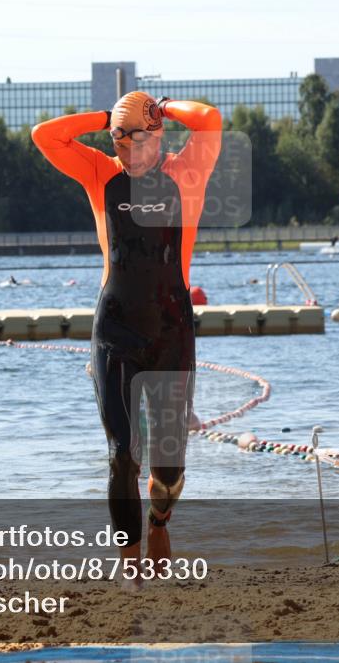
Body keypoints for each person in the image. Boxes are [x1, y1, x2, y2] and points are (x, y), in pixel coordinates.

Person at [32, 91, 221, 583]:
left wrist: (163, 105)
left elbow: (210, 120)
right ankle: (131, 565)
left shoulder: (186, 172)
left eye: (138, 137)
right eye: (119, 140)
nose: (128, 150)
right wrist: (108, 116)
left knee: (170, 465)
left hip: (171, 327)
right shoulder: (100, 173)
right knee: (122, 455)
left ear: (158, 135)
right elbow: (45, 136)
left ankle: (160, 520)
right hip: (114, 324)